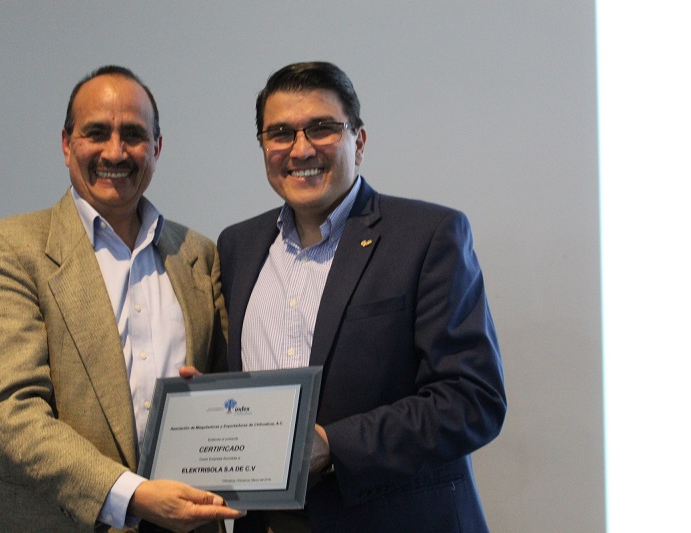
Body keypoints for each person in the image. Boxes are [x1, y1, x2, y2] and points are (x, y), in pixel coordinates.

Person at [217, 61, 507, 532]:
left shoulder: (428, 235)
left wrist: (334, 446)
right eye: (281, 134)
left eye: (322, 128)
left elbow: (472, 399)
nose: (301, 149)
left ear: (359, 140)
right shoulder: (238, 246)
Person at [0, 65, 244, 532]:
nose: (115, 152)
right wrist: (133, 495)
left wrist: (214, 403)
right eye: (96, 133)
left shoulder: (198, 254)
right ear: (66, 144)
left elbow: (228, 388)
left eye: (133, 135)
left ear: (156, 147)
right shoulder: (8, 250)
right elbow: (10, 415)